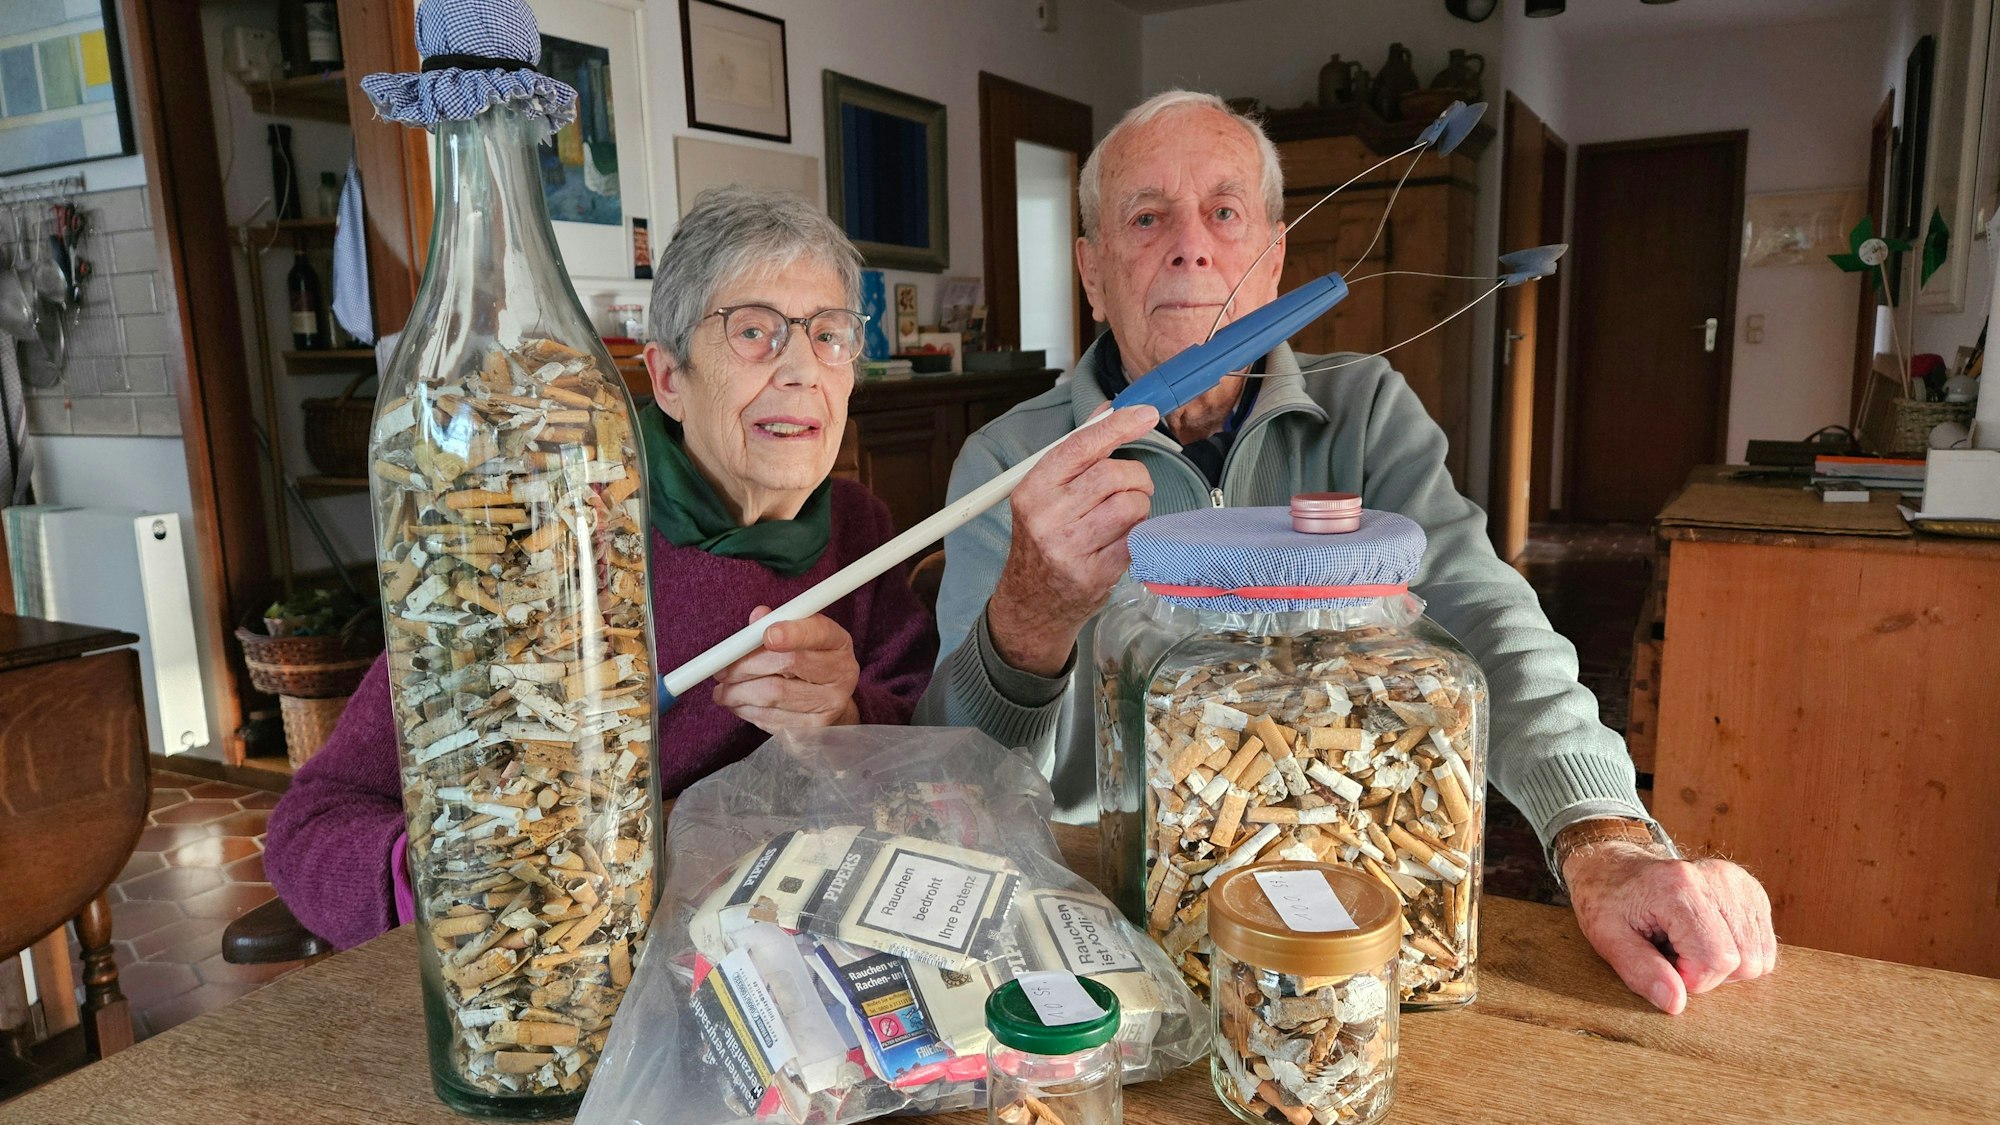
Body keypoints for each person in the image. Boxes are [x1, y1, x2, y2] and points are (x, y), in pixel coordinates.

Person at [918, 91, 1774, 1015]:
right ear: (1092, 271)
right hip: (1110, 920)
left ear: (1274, 257)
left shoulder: (1368, 409)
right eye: (1146, 216)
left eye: (1225, 212)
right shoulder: (1008, 462)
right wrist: (1030, 618)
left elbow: (1486, 613)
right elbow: (952, 789)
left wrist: (1600, 830)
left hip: (1355, 901)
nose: (1191, 245)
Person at [268, 186, 937, 949]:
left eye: (829, 335)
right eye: (755, 331)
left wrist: (844, 722)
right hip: (572, 978)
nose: (801, 370)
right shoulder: (543, 540)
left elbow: (924, 755)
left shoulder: (858, 530)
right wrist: (478, 881)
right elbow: (313, 823)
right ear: (670, 379)